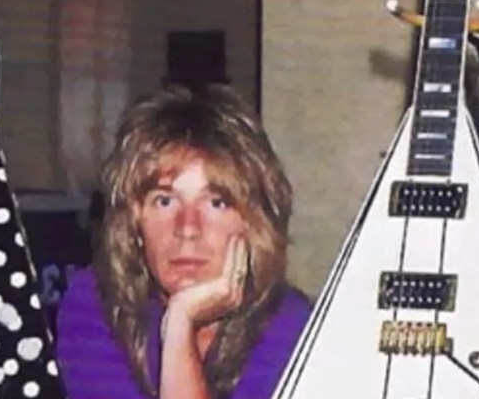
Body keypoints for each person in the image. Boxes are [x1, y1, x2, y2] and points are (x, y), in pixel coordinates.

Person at [55, 84, 311, 399]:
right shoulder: (93, 307)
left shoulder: (292, 328)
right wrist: (182, 323)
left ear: (253, 223)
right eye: (164, 201)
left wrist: (179, 322)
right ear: (133, 221)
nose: (187, 228)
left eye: (216, 202)